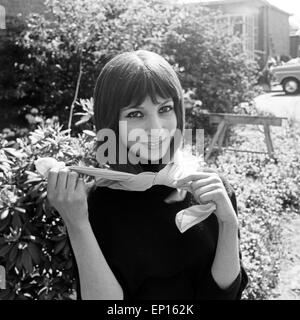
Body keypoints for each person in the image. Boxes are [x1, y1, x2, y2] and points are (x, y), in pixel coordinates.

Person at [46, 50, 248, 300]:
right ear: (111, 123)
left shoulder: (209, 188)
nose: (156, 128)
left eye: (165, 109)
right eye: (135, 114)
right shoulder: (93, 206)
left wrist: (229, 223)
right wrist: (77, 224)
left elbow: (225, 296)